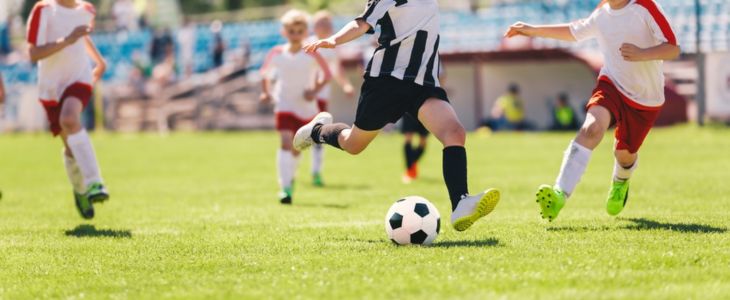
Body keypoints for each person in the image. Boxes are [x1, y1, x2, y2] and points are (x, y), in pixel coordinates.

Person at [296, 0, 500, 232]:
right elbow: (363, 22)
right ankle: (317, 131)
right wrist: (334, 40)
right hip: (387, 80)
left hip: (423, 82)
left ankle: (460, 202)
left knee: (454, 132)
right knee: (353, 144)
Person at [505, 0, 680, 221]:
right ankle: (559, 194)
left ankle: (621, 180)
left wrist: (641, 53)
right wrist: (533, 30)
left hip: (646, 98)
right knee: (591, 129)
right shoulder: (601, 13)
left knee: (624, 155)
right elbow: (573, 31)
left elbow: (673, 49)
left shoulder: (645, 7)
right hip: (611, 85)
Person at [26, 0, 110, 219]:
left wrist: (99, 61)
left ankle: (94, 183)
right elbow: (33, 53)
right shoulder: (43, 10)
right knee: (70, 148)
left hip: (78, 77)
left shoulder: (87, 10)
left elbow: (82, 36)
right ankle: (81, 191)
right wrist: (68, 40)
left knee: (70, 119)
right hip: (51, 86)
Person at [260, 9, 332, 205]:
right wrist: (266, 92)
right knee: (284, 142)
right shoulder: (276, 53)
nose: (295, 35)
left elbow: (327, 75)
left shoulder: (311, 52)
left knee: (296, 147)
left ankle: (290, 176)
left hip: (306, 107)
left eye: (299, 31)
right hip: (283, 103)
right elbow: (265, 74)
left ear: (305, 32)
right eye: (291, 31)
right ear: (284, 32)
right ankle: (285, 187)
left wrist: (314, 91)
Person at [308, 10, 356, 187]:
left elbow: (337, 70)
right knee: (296, 134)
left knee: (316, 134)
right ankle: (290, 171)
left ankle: (316, 172)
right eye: (322, 23)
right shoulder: (306, 44)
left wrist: (346, 85)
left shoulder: (331, 48)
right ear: (314, 26)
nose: (326, 27)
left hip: (320, 97)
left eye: (328, 24)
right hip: (304, 97)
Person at [400, 113, 429, 183]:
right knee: (408, 138)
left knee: (423, 141)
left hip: (425, 109)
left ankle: (412, 165)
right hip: (408, 110)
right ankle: (410, 171)